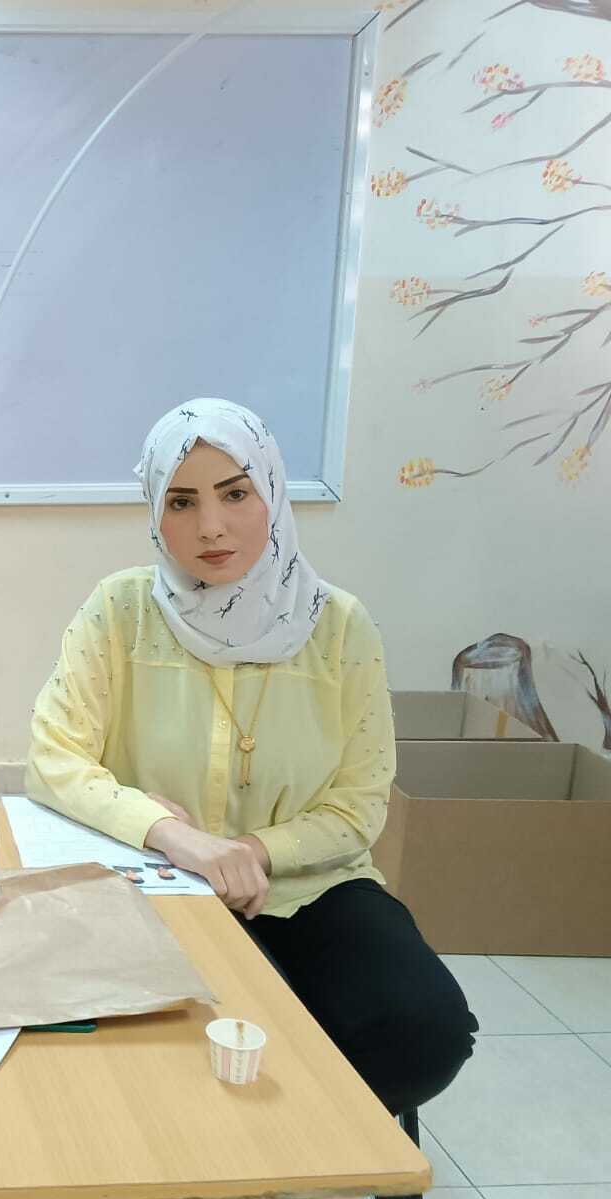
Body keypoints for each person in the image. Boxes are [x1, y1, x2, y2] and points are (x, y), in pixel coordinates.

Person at [25, 398, 475, 1121]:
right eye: (182, 501)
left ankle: (308, 1142)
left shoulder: (340, 627)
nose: (211, 526)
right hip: (161, 883)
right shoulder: (121, 610)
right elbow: (55, 759)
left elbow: (359, 804)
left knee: (425, 1032)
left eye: (235, 493)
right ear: (155, 511)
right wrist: (173, 836)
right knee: (201, 1037)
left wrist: (251, 852)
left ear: (272, 490)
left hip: (312, 884)